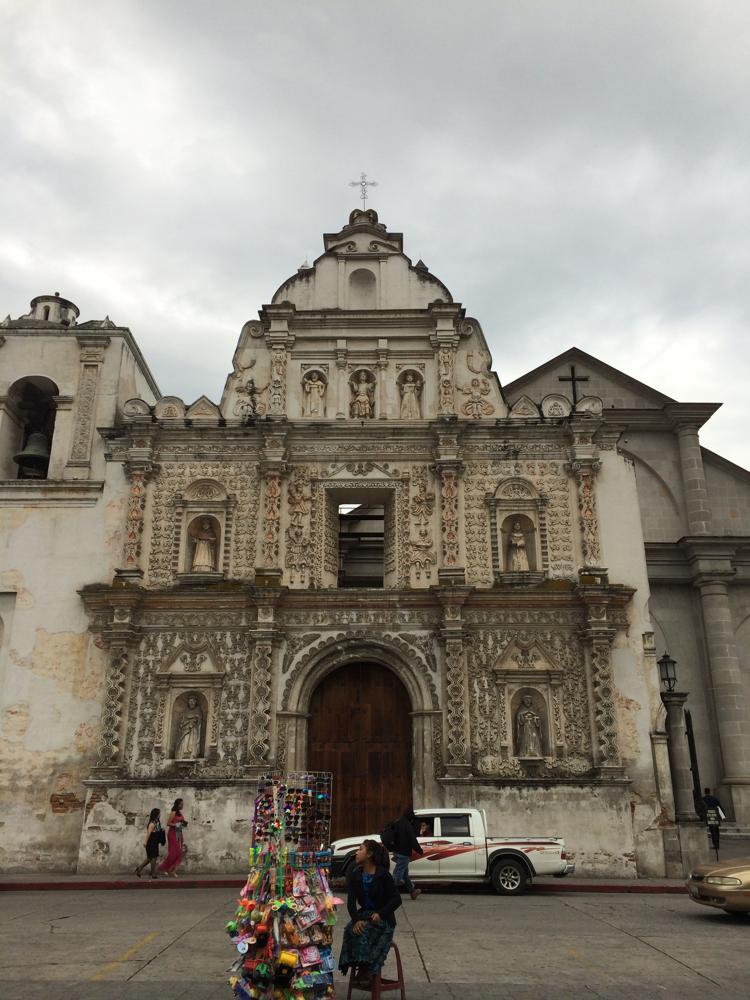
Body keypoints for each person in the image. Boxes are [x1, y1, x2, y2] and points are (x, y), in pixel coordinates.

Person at [338, 839, 402, 986]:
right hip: (364, 915)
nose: (357, 852)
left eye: (360, 849)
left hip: (383, 919)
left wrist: (380, 913)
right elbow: (351, 903)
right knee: (350, 929)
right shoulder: (355, 875)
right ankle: (359, 966)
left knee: (365, 931)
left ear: (369, 854)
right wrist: (356, 920)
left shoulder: (383, 875)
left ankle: (367, 969)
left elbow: (396, 899)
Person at [391, 806, 424, 900]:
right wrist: (419, 850)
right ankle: (388, 894)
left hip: (397, 852)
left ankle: (412, 891)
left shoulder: (398, 822)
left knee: (404, 874)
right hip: (403, 854)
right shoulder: (407, 825)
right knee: (397, 875)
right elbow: (412, 840)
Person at [158, 797, 188, 877]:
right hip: (172, 833)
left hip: (179, 833)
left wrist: (183, 823)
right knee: (174, 853)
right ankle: (162, 868)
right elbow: (168, 823)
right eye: (181, 804)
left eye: (183, 804)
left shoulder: (180, 813)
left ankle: (172, 870)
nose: (182, 805)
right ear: (178, 805)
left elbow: (181, 822)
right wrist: (177, 825)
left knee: (180, 852)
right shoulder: (173, 812)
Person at [135, 808, 163, 879]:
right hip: (151, 843)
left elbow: (157, 831)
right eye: (159, 813)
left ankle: (139, 868)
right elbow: (148, 834)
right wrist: (145, 842)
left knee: (150, 858)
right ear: (156, 815)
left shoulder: (157, 822)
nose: (160, 815)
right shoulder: (152, 824)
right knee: (153, 858)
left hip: (155, 842)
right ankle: (153, 873)